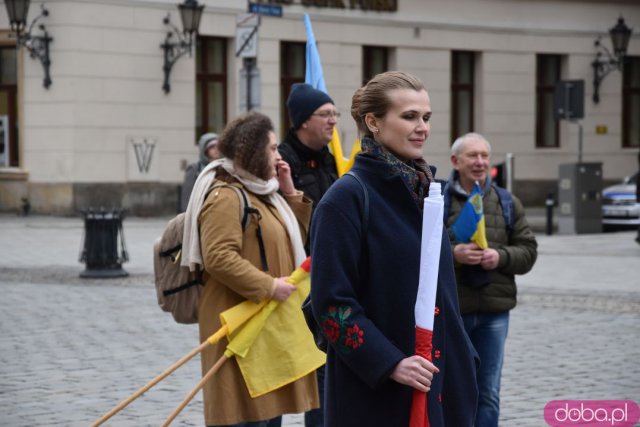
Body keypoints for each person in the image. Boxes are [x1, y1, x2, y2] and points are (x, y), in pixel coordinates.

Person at [310, 71, 478, 426]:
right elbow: (331, 304)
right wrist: (389, 362)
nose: (422, 127)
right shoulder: (345, 199)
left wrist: (464, 356)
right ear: (373, 122)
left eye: (426, 117)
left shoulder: (426, 192)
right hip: (377, 396)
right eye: (409, 116)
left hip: (443, 385)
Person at [184, 112, 319, 426]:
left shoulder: (264, 192)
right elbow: (218, 256)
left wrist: (288, 191)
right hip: (238, 321)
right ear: (253, 151)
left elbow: (295, 239)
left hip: (266, 323)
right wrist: (269, 286)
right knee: (244, 413)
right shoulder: (226, 196)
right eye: (272, 148)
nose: (278, 155)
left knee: (268, 410)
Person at [445, 132, 538, 427]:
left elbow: (528, 252)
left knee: (487, 392)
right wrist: (453, 253)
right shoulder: (437, 200)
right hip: (452, 313)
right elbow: (417, 251)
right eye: (473, 155)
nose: (480, 162)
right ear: (455, 161)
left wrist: (500, 257)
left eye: (484, 156)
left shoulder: (507, 202)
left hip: (493, 314)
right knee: (450, 389)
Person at [279, 83, 339, 427]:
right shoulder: (283, 161)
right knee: (313, 373)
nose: (333, 121)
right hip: (297, 282)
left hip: (331, 275)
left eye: (335, 114)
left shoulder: (333, 161)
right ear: (303, 121)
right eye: (325, 114)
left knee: (328, 371)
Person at [180, 132, 220, 212]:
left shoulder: (223, 167)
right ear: (204, 150)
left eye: (218, 147)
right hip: (199, 211)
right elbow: (187, 195)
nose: (216, 150)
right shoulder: (195, 169)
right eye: (212, 147)